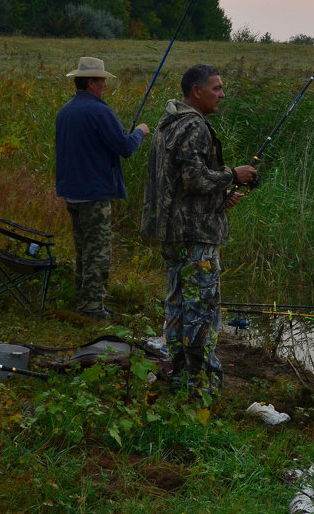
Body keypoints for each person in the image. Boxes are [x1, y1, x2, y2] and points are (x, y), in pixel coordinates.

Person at [141, 63, 257, 393]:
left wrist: (219, 196)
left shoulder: (169, 123)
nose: (222, 94)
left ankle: (179, 375)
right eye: (217, 88)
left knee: (177, 305)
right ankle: (200, 383)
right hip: (195, 238)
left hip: (173, 232)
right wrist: (234, 175)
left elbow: (179, 183)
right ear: (197, 91)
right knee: (201, 311)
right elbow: (194, 178)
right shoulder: (194, 127)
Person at [55, 56, 149, 320]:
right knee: (99, 253)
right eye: (102, 80)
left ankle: (84, 303)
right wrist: (140, 131)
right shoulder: (99, 111)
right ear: (91, 82)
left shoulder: (66, 111)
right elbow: (126, 147)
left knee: (84, 251)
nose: (105, 85)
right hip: (94, 193)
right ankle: (93, 309)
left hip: (72, 192)